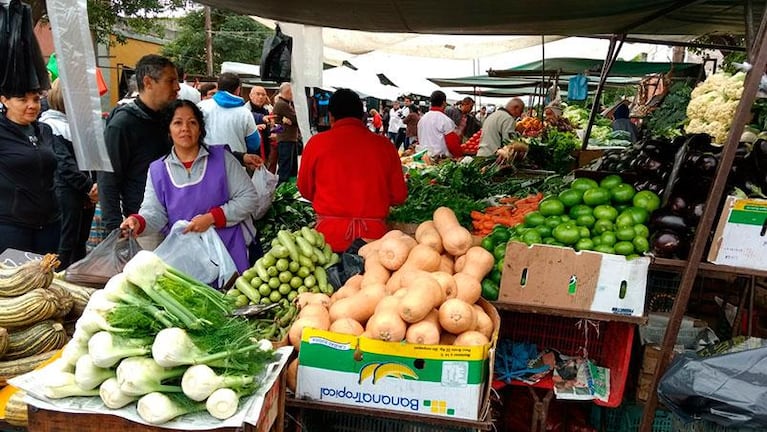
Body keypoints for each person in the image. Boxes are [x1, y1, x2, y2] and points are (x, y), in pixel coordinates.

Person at [120, 100, 259, 273]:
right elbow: (154, 212)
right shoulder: (158, 170)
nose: (185, 128)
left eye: (192, 122)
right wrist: (138, 222)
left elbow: (249, 197)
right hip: (186, 260)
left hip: (228, 252)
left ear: (200, 129)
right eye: (177, 123)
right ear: (169, 130)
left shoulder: (223, 158)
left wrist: (212, 218)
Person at [297, 89, 407, 252]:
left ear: (331, 116)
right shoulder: (385, 146)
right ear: (362, 115)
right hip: (374, 243)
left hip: (326, 241)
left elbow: (305, 189)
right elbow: (399, 195)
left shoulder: (316, 144)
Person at [99, 54, 179, 234]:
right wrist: (114, 229)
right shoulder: (122, 124)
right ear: (148, 82)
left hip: (178, 220)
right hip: (143, 224)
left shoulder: (171, 117)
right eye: (170, 81)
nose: (177, 87)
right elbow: (108, 180)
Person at [40, 79, 98, 268]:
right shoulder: (50, 125)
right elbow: (63, 164)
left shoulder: (74, 125)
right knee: (66, 245)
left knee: (79, 243)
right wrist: (90, 187)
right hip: (65, 192)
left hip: (81, 193)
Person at [0, 88, 60, 255]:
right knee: (14, 279)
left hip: (50, 224)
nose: (32, 105)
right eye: (22, 100)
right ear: (5, 100)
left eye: (35, 99)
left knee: (47, 277)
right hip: (11, 227)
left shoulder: (44, 130)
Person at [198, 72, 260, 154]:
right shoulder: (245, 113)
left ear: (218, 87)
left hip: (206, 162)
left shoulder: (201, 107)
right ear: (238, 90)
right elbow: (254, 144)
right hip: (237, 163)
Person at [416, 90, 463, 159]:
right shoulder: (445, 120)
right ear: (444, 103)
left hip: (423, 158)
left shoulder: (422, 119)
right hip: (439, 160)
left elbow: (419, 139)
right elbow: (452, 143)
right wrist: (459, 156)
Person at [272, 83, 300, 184]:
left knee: (292, 168)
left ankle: (289, 190)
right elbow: (298, 119)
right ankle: (281, 192)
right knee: (286, 168)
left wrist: (291, 121)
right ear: (288, 92)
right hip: (286, 139)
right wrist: (292, 121)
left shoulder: (286, 103)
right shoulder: (282, 104)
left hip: (290, 138)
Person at [248, 86, 275, 170]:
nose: (261, 97)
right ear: (250, 95)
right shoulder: (245, 110)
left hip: (265, 151)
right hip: (250, 153)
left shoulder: (265, 110)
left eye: (263, 95)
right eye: (258, 94)